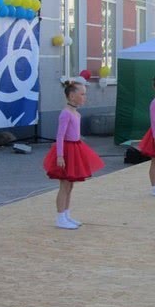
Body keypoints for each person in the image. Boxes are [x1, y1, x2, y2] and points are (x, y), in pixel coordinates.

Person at [44, 81, 105, 229]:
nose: (85, 97)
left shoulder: (75, 113)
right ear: (72, 96)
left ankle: (66, 214)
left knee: (70, 185)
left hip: (75, 148)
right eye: (82, 94)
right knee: (64, 185)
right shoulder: (66, 113)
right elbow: (59, 135)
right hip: (67, 151)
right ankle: (60, 217)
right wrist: (60, 156)